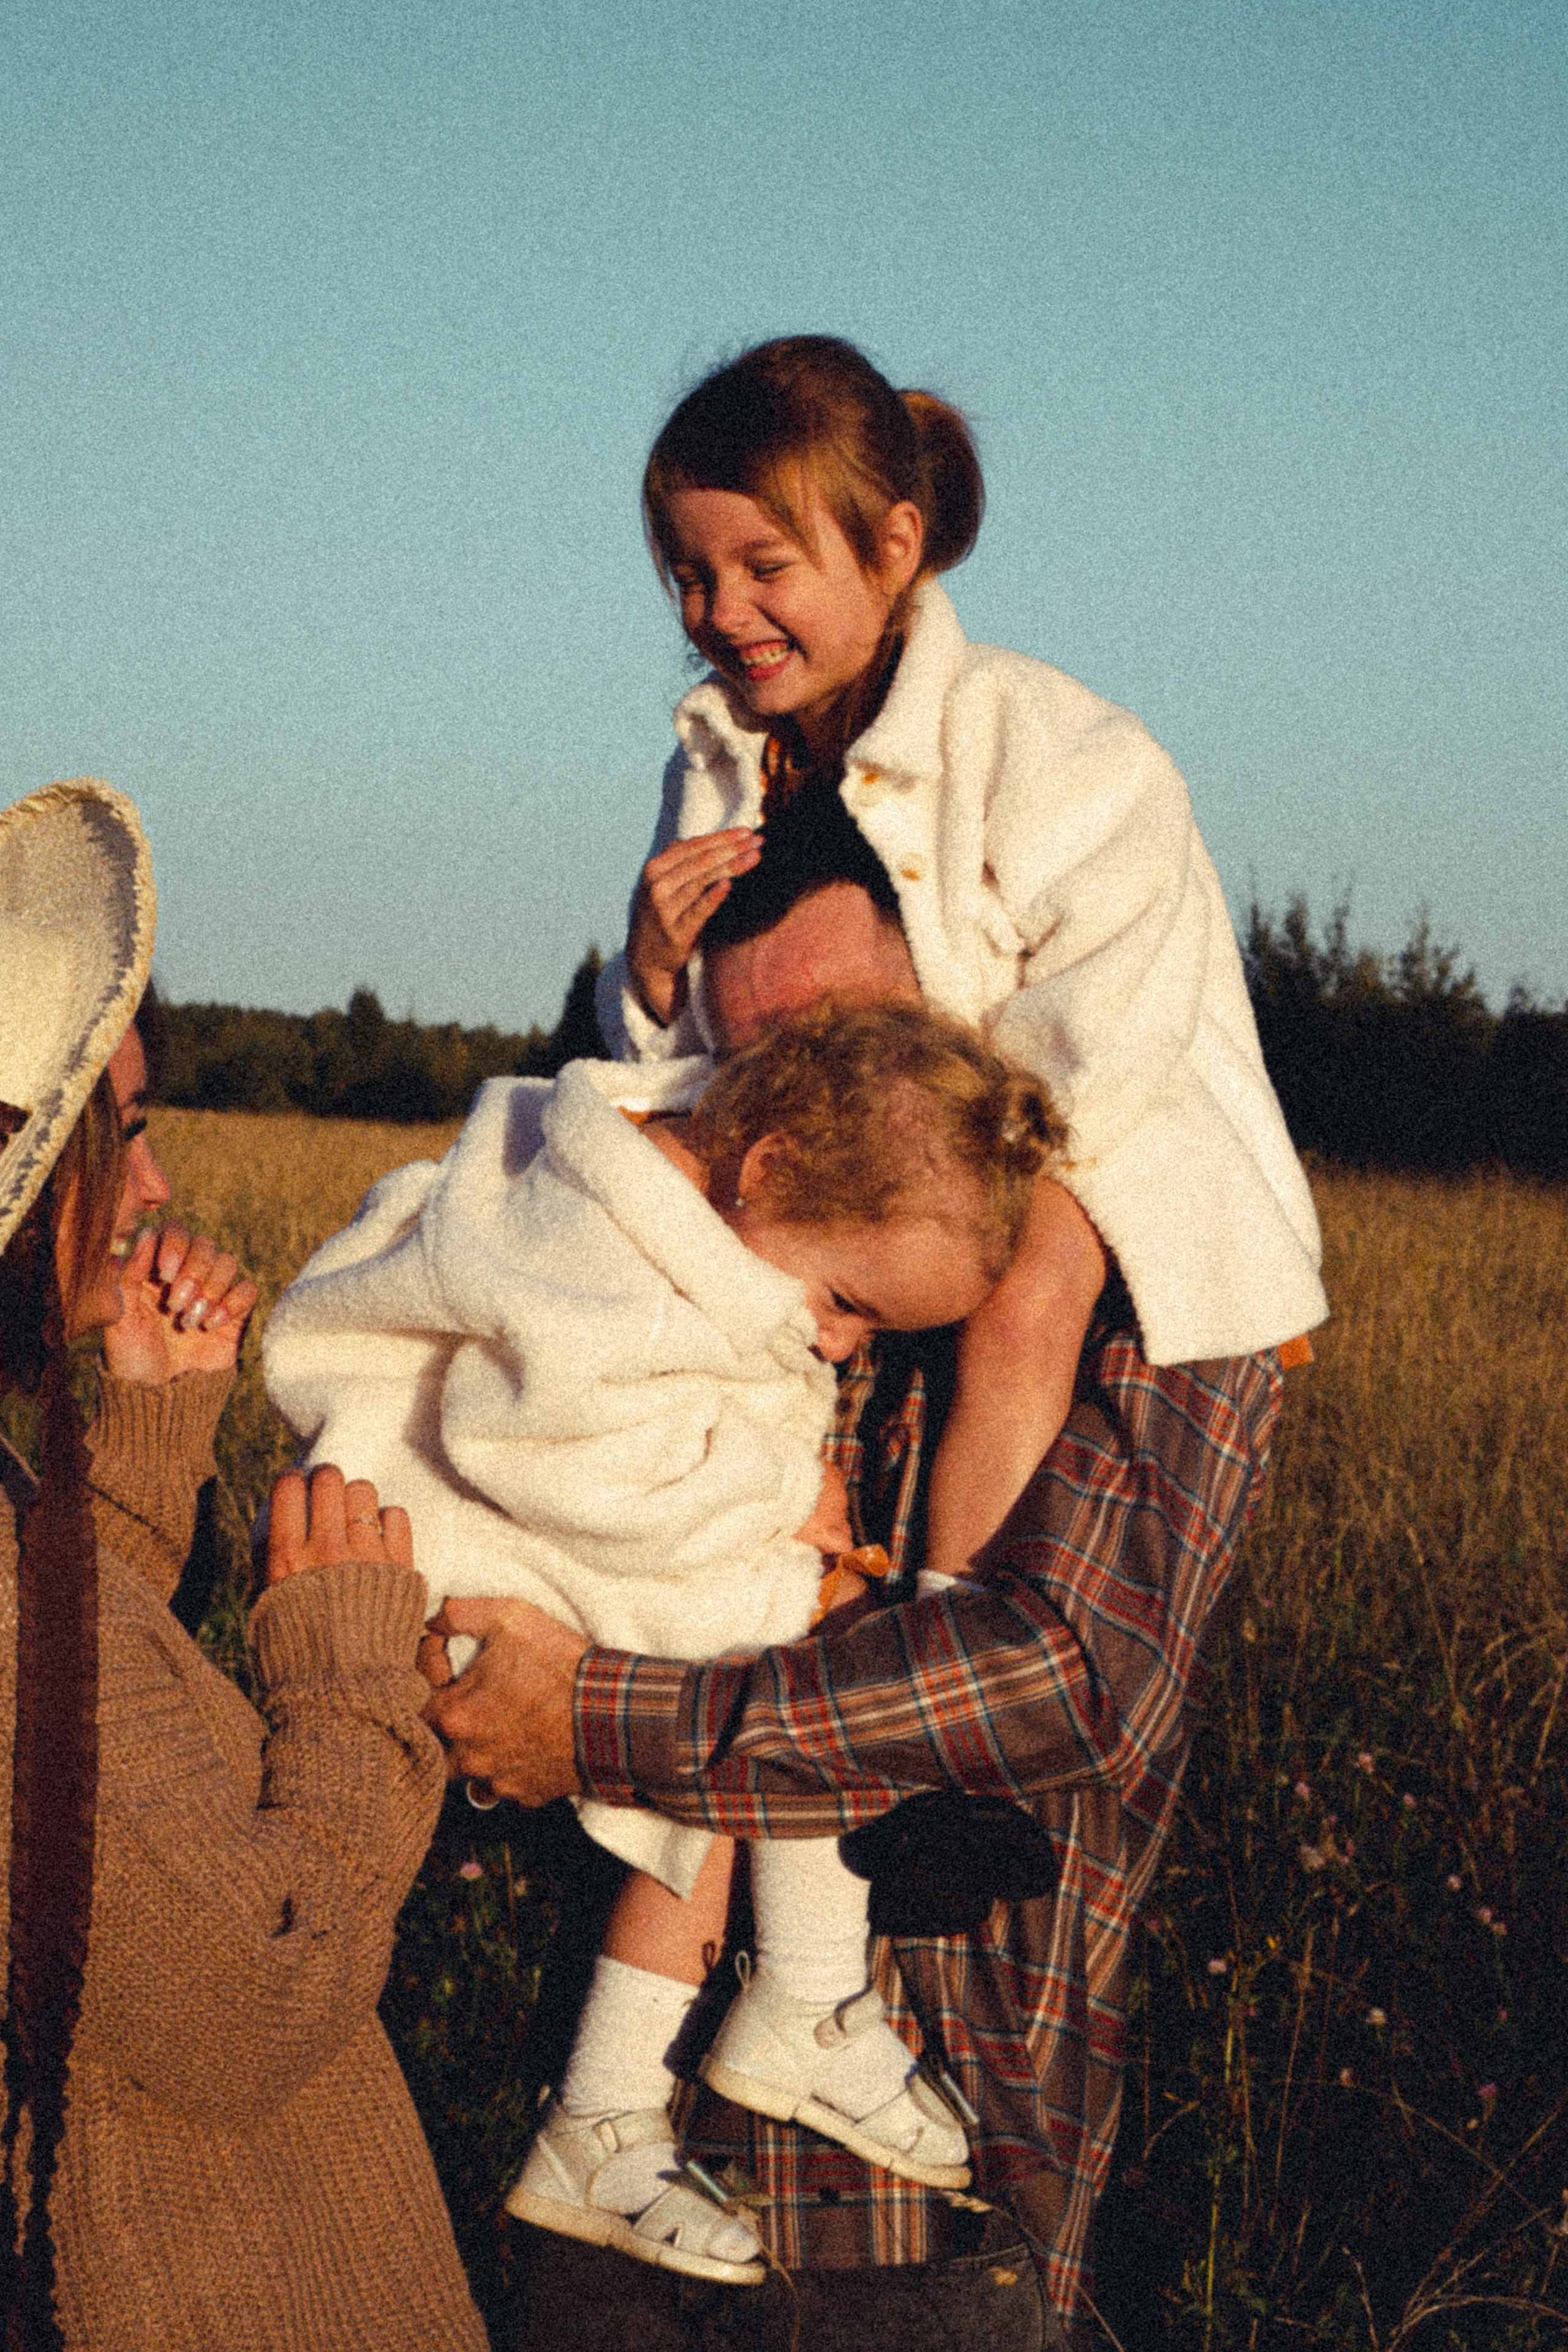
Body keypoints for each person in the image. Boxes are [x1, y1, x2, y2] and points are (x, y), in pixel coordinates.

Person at [263, 1000, 1064, 2285]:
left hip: (505, 1532)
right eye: (846, 1302)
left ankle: (607, 2118)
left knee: (747, 1684)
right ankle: (792, 2001)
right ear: (768, 1170)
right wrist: (774, 1496)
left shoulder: (682, 1196)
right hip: (456, 1557)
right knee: (769, 1677)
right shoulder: (599, 1261)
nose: (838, 1343)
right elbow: (542, 1445)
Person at [596, 333, 1325, 1585]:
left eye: (763, 567)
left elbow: (1116, 1006)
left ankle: (954, 1602)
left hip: (1080, 1136)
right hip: (868, 1166)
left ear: (889, 547)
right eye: (686, 575)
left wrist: (962, 1163)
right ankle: (762, 1557)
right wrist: (656, 973)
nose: (720, 613)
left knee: (1030, 1274)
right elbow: (711, 1060)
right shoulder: (715, 767)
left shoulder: (1045, 738)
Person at [0, 778, 488, 2352]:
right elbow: (245, 1994)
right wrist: (348, 1687)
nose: (148, 1186)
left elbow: (79, 1799)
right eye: (120, 1131)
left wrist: (141, 1463)